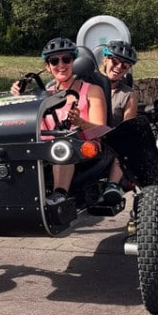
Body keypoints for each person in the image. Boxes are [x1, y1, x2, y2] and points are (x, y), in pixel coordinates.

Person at [10, 37, 107, 204]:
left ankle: (59, 195)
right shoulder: (43, 94)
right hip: (46, 148)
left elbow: (102, 129)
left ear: (74, 62)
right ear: (48, 67)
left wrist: (80, 123)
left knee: (63, 143)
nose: (61, 65)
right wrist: (18, 99)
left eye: (66, 59)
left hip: (84, 146)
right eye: (54, 61)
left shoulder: (92, 90)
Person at [100, 39, 139, 203]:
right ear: (105, 60)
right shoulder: (86, 86)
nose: (118, 68)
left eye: (124, 66)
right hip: (85, 139)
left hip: (111, 142)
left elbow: (127, 126)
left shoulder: (127, 95)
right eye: (115, 61)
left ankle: (113, 184)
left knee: (125, 139)